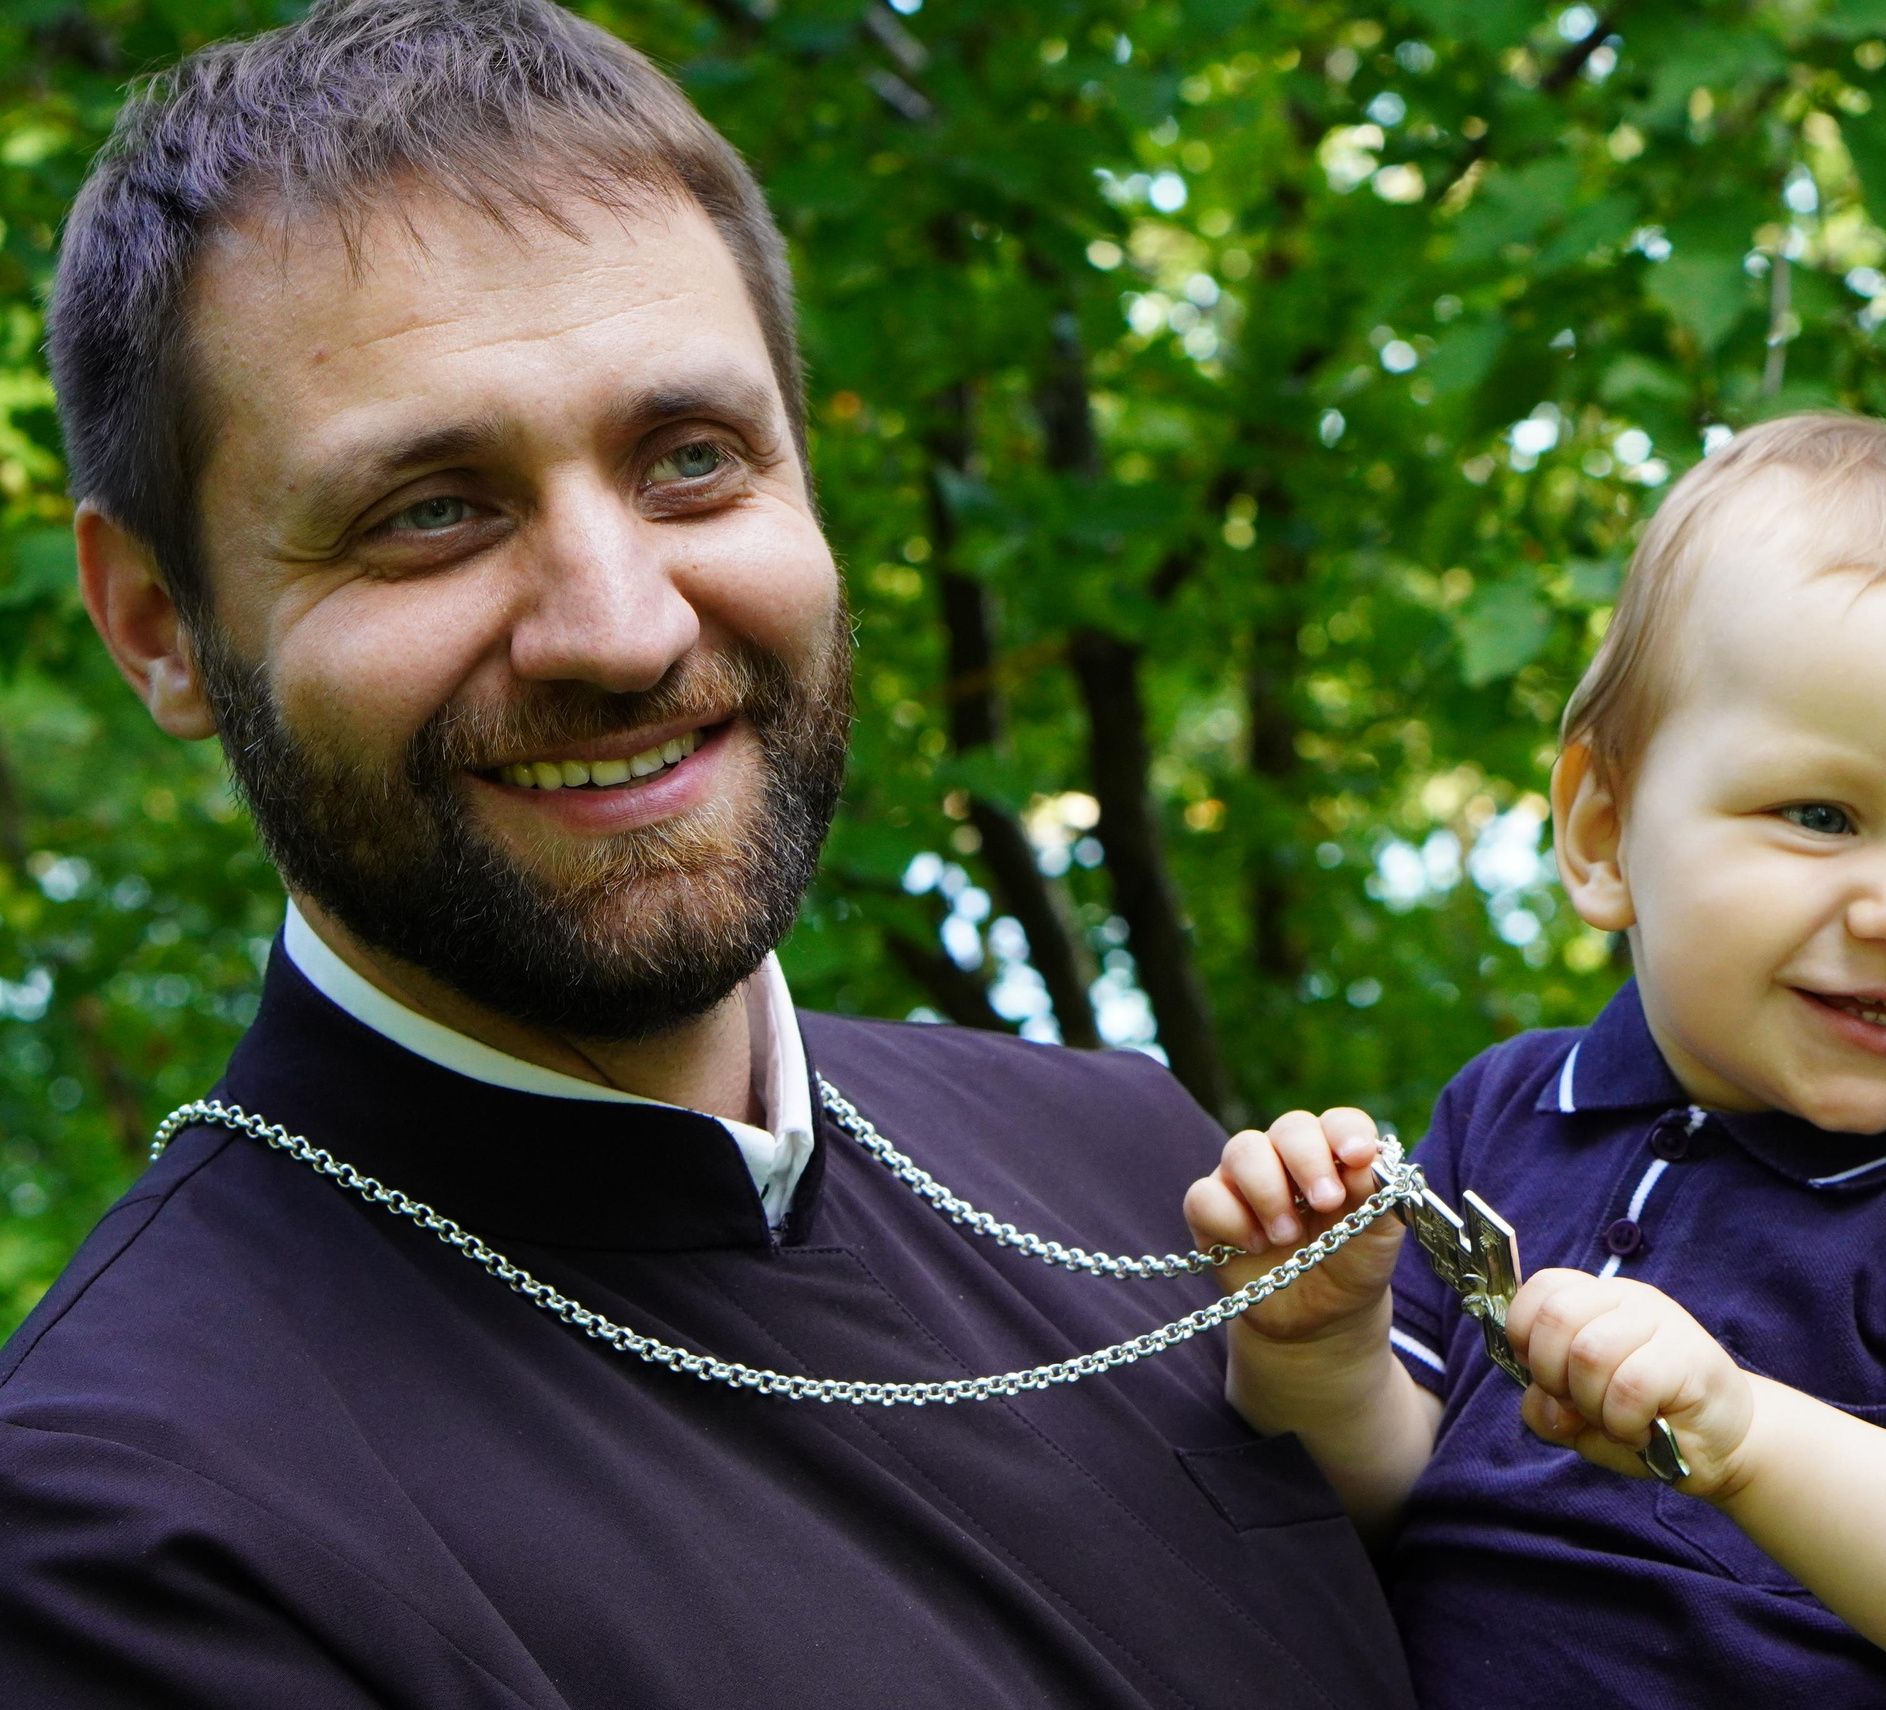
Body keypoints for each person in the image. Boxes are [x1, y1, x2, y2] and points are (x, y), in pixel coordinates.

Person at [0, 4, 1412, 1705]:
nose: (616, 625)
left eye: (690, 460)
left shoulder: (1132, 1160)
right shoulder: (127, 1528)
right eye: (429, 509)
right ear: (158, 624)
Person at [1186, 415, 1886, 1706]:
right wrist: (1316, 1349)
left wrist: (1752, 1439)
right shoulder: (1509, 1114)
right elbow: (1367, 1506)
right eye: (1822, 816)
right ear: (1604, 834)